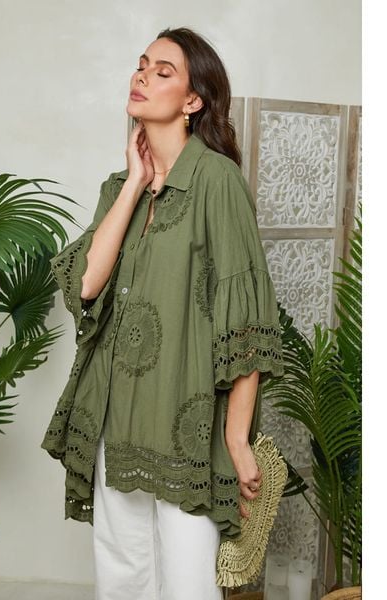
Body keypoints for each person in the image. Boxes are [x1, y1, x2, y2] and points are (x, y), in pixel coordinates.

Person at [41, 26, 284, 600]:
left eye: (163, 71)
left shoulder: (217, 181)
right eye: (142, 64)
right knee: (121, 578)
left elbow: (245, 322)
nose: (142, 76)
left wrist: (237, 438)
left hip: (186, 425)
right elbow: (86, 284)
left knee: (187, 584)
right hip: (115, 418)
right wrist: (134, 182)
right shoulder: (117, 188)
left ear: (193, 100)